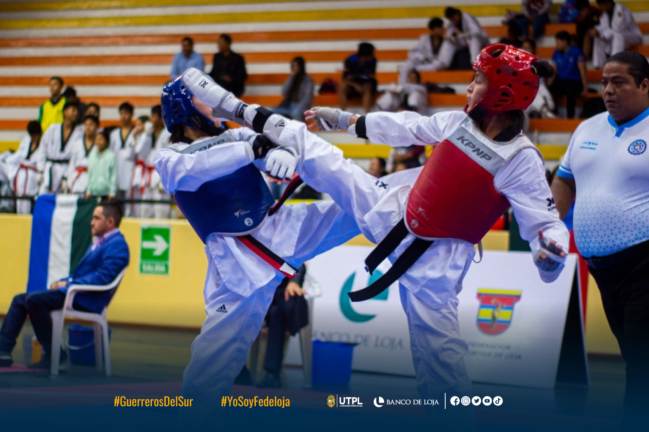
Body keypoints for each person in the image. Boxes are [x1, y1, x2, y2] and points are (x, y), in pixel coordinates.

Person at [181, 43, 568, 424]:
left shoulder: (521, 159)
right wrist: (346, 120)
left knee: (443, 372)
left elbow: (544, 222)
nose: (469, 87)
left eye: (478, 80)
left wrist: (549, 251)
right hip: (391, 215)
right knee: (317, 154)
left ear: (502, 94)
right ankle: (233, 107)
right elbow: (406, 127)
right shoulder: (456, 123)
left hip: (436, 265)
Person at [154, 73, 422, 421]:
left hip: (281, 229)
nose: (217, 105)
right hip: (238, 262)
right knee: (212, 366)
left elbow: (268, 147)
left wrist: (278, 154)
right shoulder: (169, 157)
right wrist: (252, 150)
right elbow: (193, 169)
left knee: (370, 197)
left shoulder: (236, 134)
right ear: (185, 107)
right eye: (205, 98)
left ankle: (435, 186)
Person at [550, 51, 649, 429]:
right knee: (647, 363)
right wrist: (551, 226)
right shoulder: (586, 128)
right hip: (604, 269)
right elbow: (565, 179)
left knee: (644, 364)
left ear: (644, 86)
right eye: (604, 82)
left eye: (619, 82)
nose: (608, 91)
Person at [0, 201, 129, 369]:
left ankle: (57, 356)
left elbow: (103, 277)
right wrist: (66, 282)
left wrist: (69, 284)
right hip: (77, 292)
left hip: (86, 298)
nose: (91, 222)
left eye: (96, 218)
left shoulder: (118, 245)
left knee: (33, 301)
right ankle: (3, 350)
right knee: (20, 299)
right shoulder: (100, 242)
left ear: (110, 222)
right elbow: (83, 275)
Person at [0, 121, 44, 215]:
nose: (33, 138)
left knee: (23, 207)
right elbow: (18, 155)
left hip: (30, 177)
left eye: (35, 135)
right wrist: (5, 159)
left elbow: (42, 163)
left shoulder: (44, 144)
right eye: (31, 135)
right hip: (16, 170)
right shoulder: (27, 140)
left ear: (40, 133)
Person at [256, 263, 308, 389]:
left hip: (281, 299)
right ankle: (239, 371)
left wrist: (294, 281)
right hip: (259, 296)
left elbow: (297, 265)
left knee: (277, 313)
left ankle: (272, 374)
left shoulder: (284, 253)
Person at [134, 105, 171, 219]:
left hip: (160, 176)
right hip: (148, 176)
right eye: (151, 116)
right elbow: (139, 151)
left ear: (161, 118)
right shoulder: (149, 134)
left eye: (154, 116)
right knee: (144, 210)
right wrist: (146, 134)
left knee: (161, 211)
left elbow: (169, 158)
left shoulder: (168, 134)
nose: (152, 119)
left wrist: (164, 180)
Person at [39, 101, 82, 194]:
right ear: (65, 112)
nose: (76, 113)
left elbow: (76, 157)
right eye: (73, 110)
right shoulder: (52, 129)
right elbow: (42, 149)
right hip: (50, 169)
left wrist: (69, 176)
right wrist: (40, 170)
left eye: (77, 111)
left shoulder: (79, 132)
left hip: (66, 169)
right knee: (43, 196)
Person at [110, 102, 144, 210]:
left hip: (131, 172)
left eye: (126, 113)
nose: (123, 116)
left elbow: (139, 152)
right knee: (116, 205)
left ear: (132, 114)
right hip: (117, 171)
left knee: (130, 205)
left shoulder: (137, 133)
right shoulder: (114, 134)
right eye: (121, 113)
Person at [590, 0, 642, 69]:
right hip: (615, 38)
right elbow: (603, 27)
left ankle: (614, 64)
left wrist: (602, 33)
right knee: (598, 38)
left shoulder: (620, 9)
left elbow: (618, 28)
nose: (600, 7)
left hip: (632, 36)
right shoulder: (604, 14)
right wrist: (596, 31)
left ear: (607, 3)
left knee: (618, 35)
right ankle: (598, 65)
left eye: (601, 5)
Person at [549, 31, 588, 118]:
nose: (556, 45)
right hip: (562, 80)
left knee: (570, 90)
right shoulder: (556, 52)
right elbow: (553, 69)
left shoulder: (576, 52)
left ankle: (570, 117)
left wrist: (585, 88)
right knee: (550, 88)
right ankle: (554, 113)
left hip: (574, 80)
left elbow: (582, 71)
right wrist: (550, 83)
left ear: (565, 42)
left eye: (558, 42)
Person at [339, 42, 377, 114]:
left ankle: (366, 113)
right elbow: (345, 78)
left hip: (365, 85)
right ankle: (342, 113)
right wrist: (355, 85)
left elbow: (372, 77)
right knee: (342, 86)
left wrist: (362, 85)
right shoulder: (351, 60)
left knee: (368, 87)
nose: (372, 56)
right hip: (352, 85)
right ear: (366, 55)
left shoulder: (373, 61)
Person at [522, 39, 556, 119]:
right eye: (524, 47)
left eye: (528, 47)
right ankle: (540, 112)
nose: (525, 50)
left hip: (539, 87)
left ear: (533, 49)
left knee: (550, 105)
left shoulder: (538, 61)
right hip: (524, 89)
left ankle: (541, 112)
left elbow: (550, 72)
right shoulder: (517, 61)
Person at [273, 57, 314, 121]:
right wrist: (291, 77)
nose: (295, 68)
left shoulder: (307, 80)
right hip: (288, 106)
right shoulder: (292, 78)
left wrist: (298, 108)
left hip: (300, 106)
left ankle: (298, 130)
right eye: (293, 66)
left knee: (296, 113)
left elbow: (307, 99)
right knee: (272, 111)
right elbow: (284, 91)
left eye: (296, 66)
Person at [67, 115, 98, 195]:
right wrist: (69, 181)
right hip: (78, 179)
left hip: (93, 178)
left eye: (91, 125)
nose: (88, 127)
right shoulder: (77, 143)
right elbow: (72, 164)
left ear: (97, 127)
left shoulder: (99, 145)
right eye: (86, 125)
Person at [85, 131, 117, 200]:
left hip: (106, 193)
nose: (98, 142)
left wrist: (112, 192)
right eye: (96, 139)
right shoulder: (92, 155)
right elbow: (90, 174)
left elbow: (113, 175)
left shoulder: (111, 156)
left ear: (107, 142)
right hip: (93, 192)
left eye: (101, 139)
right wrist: (88, 190)